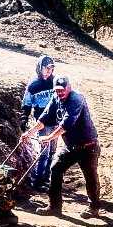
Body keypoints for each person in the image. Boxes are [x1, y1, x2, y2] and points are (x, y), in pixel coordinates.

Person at [21, 76, 101, 218]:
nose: (60, 92)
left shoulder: (77, 99)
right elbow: (44, 119)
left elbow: (68, 122)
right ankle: (54, 206)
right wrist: (28, 133)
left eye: (62, 89)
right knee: (56, 168)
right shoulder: (55, 98)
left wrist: (49, 137)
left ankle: (94, 207)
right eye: (57, 89)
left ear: (69, 87)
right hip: (71, 145)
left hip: (88, 145)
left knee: (90, 176)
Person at [20, 56, 58, 191]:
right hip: (42, 122)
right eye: (46, 68)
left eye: (51, 68)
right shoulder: (33, 85)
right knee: (44, 151)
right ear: (39, 68)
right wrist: (23, 119)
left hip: (56, 121)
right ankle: (37, 180)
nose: (48, 71)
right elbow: (26, 104)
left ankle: (46, 177)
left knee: (53, 151)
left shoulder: (55, 82)